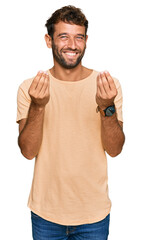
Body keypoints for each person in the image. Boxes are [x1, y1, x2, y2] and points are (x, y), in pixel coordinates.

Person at [17, 5, 125, 240]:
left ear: (86, 40)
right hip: (46, 214)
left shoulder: (107, 85)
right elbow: (27, 151)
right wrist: (38, 105)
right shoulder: (31, 88)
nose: (72, 45)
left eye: (79, 37)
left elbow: (115, 149)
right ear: (49, 40)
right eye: (63, 36)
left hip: (93, 215)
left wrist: (107, 105)